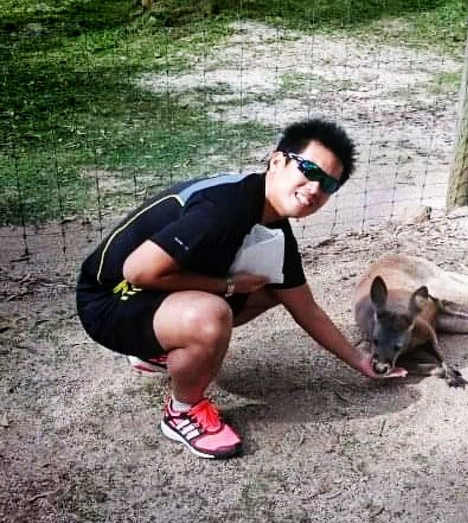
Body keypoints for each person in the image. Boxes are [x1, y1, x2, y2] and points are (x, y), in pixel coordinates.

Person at [76, 118, 405, 460]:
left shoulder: (273, 226)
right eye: (309, 170)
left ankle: (157, 350)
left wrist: (361, 361)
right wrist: (228, 286)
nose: (315, 189)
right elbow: (138, 271)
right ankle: (183, 412)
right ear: (277, 161)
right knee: (212, 315)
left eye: (328, 185)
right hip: (108, 300)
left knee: (271, 289)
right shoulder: (226, 208)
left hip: (143, 297)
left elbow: (305, 307)